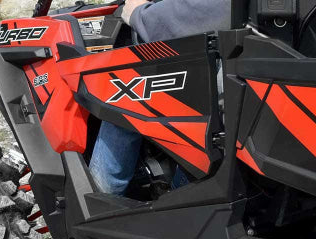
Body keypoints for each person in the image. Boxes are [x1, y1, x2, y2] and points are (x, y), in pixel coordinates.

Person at [89, 0, 231, 195]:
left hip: (229, 97)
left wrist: (139, 14)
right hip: (254, 78)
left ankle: (101, 197)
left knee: (123, 95)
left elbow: (215, 11)